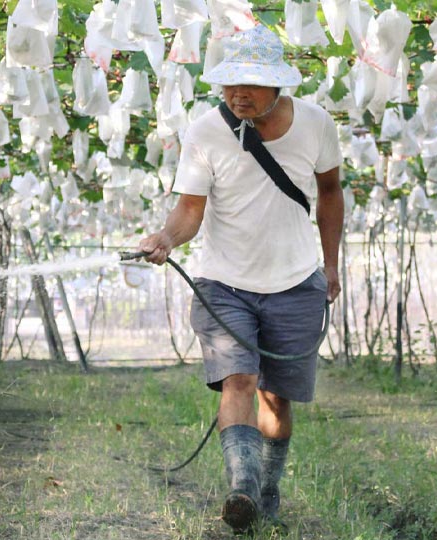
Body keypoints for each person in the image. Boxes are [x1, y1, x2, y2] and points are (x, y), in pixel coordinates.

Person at [139, 24, 343, 534]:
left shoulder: (317, 124)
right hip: (223, 283)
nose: (238, 94)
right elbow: (189, 210)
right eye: (230, 84)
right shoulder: (206, 130)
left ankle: (267, 489)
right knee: (240, 380)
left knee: (276, 397)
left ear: (279, 86)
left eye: (250, 84)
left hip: (296, 281)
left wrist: (331, 264)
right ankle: (242, 489)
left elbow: (331, 192)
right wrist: (166, 237)